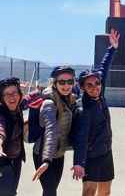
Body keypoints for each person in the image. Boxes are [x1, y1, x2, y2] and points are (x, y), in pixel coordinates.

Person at [73, 29, 119, 196]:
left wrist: (112, 48)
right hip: (91, 157)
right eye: (89, 85)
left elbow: (103, 68)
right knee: (89, 191)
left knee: (105, 191)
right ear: (83, 88)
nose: (95, 87)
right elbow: (81, 139)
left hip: (106, 152)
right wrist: (79, 162)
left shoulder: (100, 93)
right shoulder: (83, 109)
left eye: (97, 83)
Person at [32, 65, 80, 196]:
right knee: (50, 191)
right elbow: (50, 131)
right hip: (43, 154)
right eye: (62, 82)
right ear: (54, 83)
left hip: (59, 153)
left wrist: (112, 50)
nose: (66, 86)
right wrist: (47, 160)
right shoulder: (49, 103)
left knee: (51, 191)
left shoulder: (69, 99)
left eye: (70, 81)